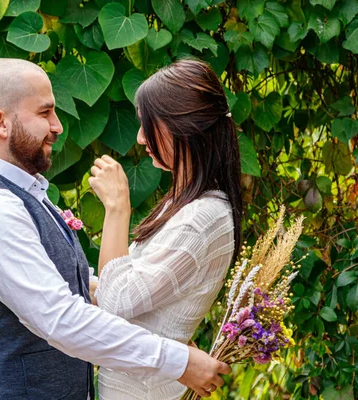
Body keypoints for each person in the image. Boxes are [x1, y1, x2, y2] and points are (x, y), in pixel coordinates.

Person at [0, 58, 230, 400]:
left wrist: (159, 324)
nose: (58, 126)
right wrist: (177, 360)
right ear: (0, 123)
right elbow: (60, 319)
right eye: (45, 113)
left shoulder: (23, 193)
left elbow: (58, 283)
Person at [88, 59, 243, 399]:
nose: (140, 137)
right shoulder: (185, 206)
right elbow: (118, 288)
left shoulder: (205, 218)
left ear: (182, 127)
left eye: (148, 124)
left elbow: (117, 301)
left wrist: (117, 208)